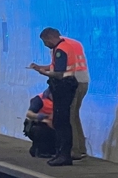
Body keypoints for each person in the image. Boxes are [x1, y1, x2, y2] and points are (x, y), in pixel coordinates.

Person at [30, 27, 83, 166]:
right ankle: (60, 153)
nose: (45, 44)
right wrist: (41, 67)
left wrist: (44, 73)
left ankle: (64, 155)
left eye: (45, 41)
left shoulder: (61, 50)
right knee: (60, 121)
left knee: (61, 122)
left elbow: (59, 73)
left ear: (50, 38)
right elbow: (55, 66)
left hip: (64, 86)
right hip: (66, 86)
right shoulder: (62, 47)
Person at [24, 88, 56, 158]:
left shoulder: (60, 100)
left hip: (53, 125)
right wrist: (41, 117)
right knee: (40, 130)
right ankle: (39, 150)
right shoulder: (39, 99)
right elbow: (29, 114)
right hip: (38, 124)